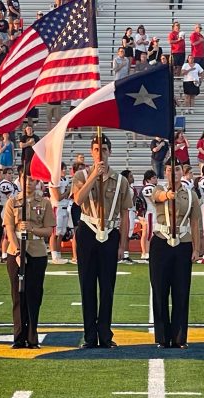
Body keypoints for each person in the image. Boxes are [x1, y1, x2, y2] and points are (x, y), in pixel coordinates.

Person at [72, 134, 132, 349]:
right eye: (96, 149)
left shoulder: (121, 180)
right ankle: (89, 336)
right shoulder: (81, 175)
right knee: (87, 286)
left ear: (110, 152)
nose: (100, 153)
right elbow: (78, 200)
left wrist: (123, 245)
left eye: (104, 149)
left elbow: (124, 214)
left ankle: (105, 334)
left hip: (110, 233)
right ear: (91, 152)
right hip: (88, 231)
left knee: (107, 287)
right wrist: (92, 176)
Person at [149, 160, 201, 349]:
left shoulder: (191, 194)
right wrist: (166, 195)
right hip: (161, 242)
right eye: (169, 169)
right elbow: (158, 197)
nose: (173, 172)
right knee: (160, 290)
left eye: (177, 169)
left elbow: (196, 222)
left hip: (183, 243)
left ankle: (180, 337)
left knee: (181, 291)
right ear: (165, 171)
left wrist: (196, 248)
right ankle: (163, 337)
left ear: (182, 172)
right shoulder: (157, 189)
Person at [4, 171, 55, 349]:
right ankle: (18, 337)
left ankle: (32, 337)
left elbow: (49, 230)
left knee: (34, 295)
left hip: (37, 251)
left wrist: (33, 228)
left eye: (33, 180)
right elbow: (9, 228)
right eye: (26, 179)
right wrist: (18, 251)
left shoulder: (45, 203)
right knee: (18, 296)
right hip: (16, 251)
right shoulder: (12, 202)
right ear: (20, 179)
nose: (29, 183)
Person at [49, 162, 71, 265]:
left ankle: (58, 254)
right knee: (55, 233)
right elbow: (58, 197)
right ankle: (54, 256)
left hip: (64, 207)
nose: (64, 171)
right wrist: (67, 192)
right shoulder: (54, 180)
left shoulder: (65, 180)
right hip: (57, 208)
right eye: (63, 169)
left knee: (61, 233)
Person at [0, 167, 17, 262]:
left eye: (12, 173)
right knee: (7, 234)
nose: (11, 175)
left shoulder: (12, 184)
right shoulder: (5, 184)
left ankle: (9, 252)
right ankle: (4, 255)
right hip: (7, 210)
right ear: (5, 174)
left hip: (13, 210)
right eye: (9, 173)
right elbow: (10, 197)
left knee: (12, 233)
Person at [139, 170, 157, 261]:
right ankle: (147, 253)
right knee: (149, 234)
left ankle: (147, 252)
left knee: (151, 233)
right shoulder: (148, 188)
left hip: (153, 212)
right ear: (148, 179)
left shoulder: (153, 187)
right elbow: (154, 201)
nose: (156, 179)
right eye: (153, 178)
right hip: (151, 213)